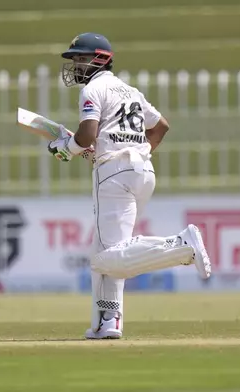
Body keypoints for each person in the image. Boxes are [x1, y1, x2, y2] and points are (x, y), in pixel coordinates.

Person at [47, 32, 211, 339]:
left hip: (114, 176)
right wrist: (135, 151)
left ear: (99, 58)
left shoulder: (93, 90)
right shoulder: (129, 90)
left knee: (106, 257)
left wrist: (65, 148)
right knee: (107, 249)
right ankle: (108, 321)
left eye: (81, 58)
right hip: (142, 172)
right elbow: (160, 126)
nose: (76, 65)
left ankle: (181, 246)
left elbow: (86, 135)